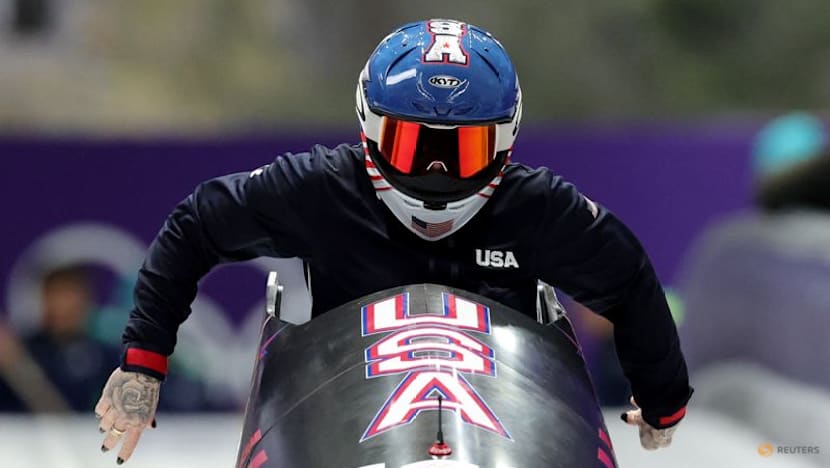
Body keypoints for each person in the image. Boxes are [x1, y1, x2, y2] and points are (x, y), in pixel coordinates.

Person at [94, 19, 693, 464]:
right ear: (369, 129)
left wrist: (662, 391)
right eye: (413, 146)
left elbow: (627, 275)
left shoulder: (535, 207)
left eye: (461, 150)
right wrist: (143, 361)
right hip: (337, 431)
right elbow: (197, 223)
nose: (436, 173)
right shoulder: (322, 187)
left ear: (505, 142)